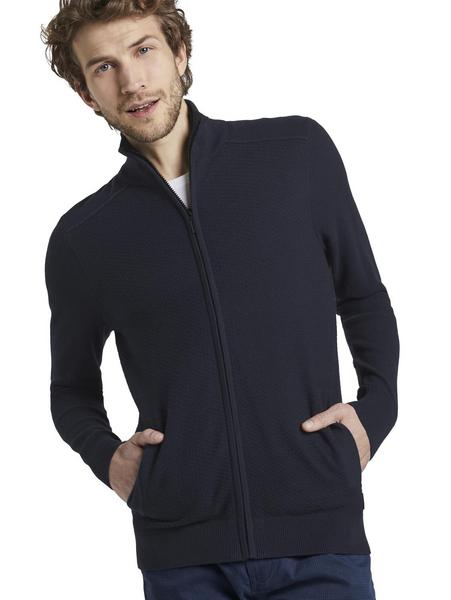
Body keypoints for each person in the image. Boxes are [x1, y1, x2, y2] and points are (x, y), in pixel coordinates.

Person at [42, 2, 399, 598]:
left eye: (143, 50)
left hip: (321, 541)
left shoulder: (295, 153)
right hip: (182, 560)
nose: (131, 81)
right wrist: (112, 461)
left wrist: (375, 414)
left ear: (180, 52)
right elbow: (70, 391)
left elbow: (363, 297)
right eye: (104, 67)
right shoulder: (84, 237)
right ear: (86, 93)